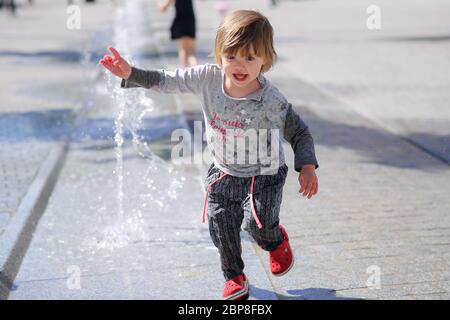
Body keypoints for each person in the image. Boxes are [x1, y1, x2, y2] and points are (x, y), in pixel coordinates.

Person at [99, 9, 319, 300]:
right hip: (224, 169)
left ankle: (275, 241)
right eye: (231, 57)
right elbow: (168, 80)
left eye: (250, 58)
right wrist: (132, 74)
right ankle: (234, 276)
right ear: (219, 54)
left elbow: (299, 132)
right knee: (220, 224)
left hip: (264, 171)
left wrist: (306, 166)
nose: (239, 65)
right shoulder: (207, 78)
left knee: (259, 224)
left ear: (265, 59)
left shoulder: (271, 99)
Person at [158, 0, 198, 67]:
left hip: (181, 20)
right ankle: (196, 72)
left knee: (184, 50)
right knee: (191, 52)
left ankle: (186, 73)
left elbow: (163, 8)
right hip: (190, 19)